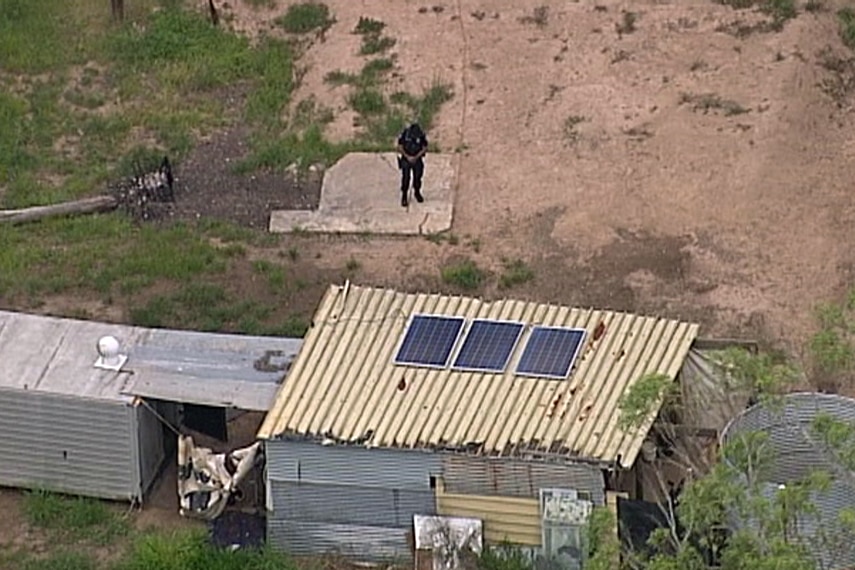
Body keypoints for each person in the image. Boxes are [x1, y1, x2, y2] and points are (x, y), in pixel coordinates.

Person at [397, 123, 428, 207]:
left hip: (417, 159)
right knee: (406, 178)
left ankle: (417, 192)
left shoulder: (421, 135)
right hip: (406, 159)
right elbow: (400, 146)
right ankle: (404, 196)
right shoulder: (405, 134)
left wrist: (416, 157)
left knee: (417, 177)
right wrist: (408, 157)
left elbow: (425, 147)